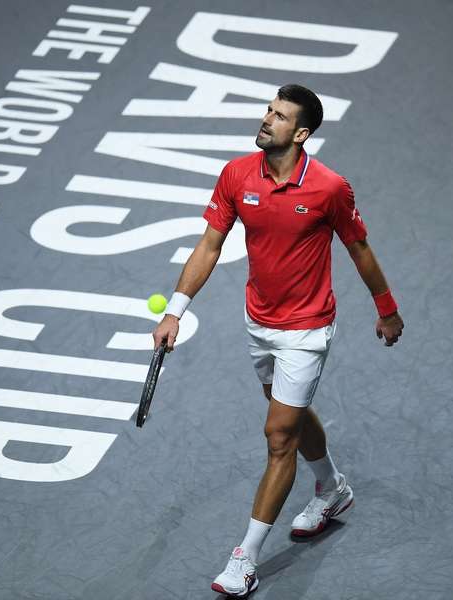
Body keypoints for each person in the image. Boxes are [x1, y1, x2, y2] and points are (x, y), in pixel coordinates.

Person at [152, 84, 404, 598]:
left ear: (302, 133)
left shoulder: (330, 188)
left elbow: (359, 250)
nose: (267, 119)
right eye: (269, 110)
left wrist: (387, 310)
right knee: (285, 410)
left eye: (280, 116)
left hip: (307, 328)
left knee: (278, 437)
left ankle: (243, 559)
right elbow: (210, 244)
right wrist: (175, 311)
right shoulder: (237, 174)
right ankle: (333, 489)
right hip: (259, 320)